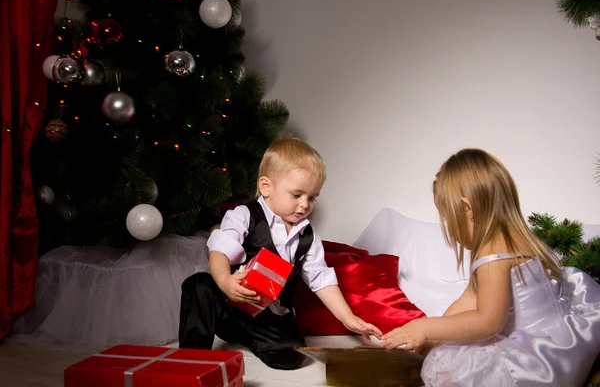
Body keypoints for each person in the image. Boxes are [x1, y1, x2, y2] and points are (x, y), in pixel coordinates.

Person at [381, 148, 600, 386]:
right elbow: (468, 301)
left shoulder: (493, 253)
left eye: (446, 217)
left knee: (453, 368)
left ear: (468, 209)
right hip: (562, 338)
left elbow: (487, 321)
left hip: (541, 360)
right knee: (444, 349)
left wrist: (423, 326)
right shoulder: (516, 237)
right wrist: (432, 338)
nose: (448, 226)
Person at [179, 138, 382, 370]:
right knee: (197, 285)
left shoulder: (307, 235)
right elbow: (219, 250)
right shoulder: (244, 215)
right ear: (266, 187)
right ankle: (191, 360)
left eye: (312, 197)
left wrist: (348, 318)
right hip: (230, 303)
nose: (305, 205)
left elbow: (320, 278)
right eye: (297, 195)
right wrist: (225, 281)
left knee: (293, 356)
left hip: (268, 314)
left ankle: (249, 337)